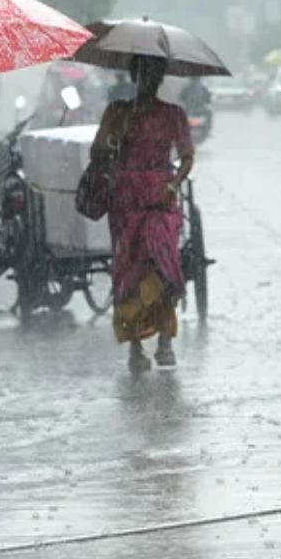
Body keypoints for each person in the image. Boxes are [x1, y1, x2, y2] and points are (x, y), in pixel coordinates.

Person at [92, 55, 195, 373]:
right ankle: (136, 345)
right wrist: (112, 142)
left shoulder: (174, 115)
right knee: (129, 271)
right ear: (134, 76)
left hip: (161, 200)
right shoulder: (118, 113)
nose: (148, 79)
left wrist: (174, 184)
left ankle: (165, 340)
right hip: (125, 203)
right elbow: (98, 153)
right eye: (143, 73)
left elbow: (188, 156)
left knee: (163, 265)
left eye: (154, 74)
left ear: (160, 78)